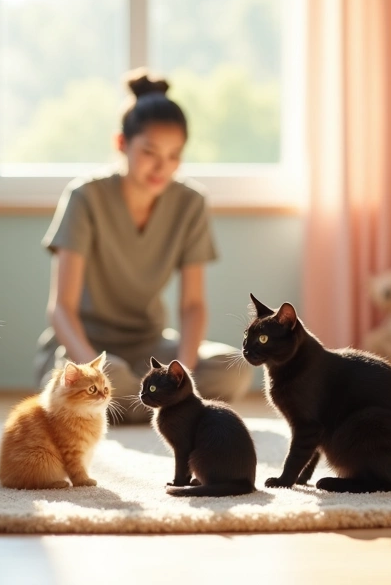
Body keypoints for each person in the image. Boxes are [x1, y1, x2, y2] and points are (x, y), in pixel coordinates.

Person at [34, 69, 255, 423]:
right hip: (85, 352)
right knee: (111, 376)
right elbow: (61, 308)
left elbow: (193, 305)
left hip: (150, 346)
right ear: (121, 143)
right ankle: (153, 405)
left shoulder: (190, 202)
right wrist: (91, 370)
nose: (161, 167)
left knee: (234, 370)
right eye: (150, 152)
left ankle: (128, 407)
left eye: (174, 155)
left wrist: (180, 369)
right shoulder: (85, 197)